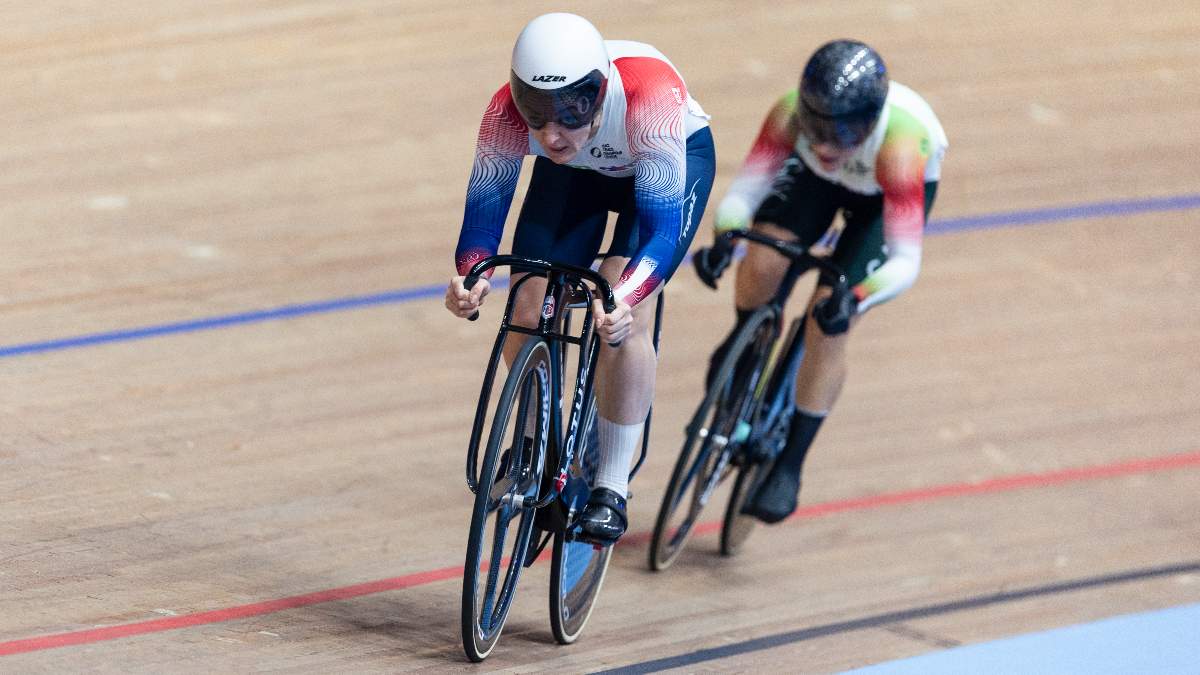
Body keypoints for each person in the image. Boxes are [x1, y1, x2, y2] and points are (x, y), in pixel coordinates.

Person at [444, 13, 715, 544]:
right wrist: (469, 278)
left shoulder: (649, 98)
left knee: (621, 310)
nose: (550, 133)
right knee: (528, 303)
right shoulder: (505, 110)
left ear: (600, 92)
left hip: (657, 174)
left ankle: (611, 486)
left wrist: (626, 298)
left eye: (570, 113)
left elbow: (660, 233)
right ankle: (533, 438)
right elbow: (483, 216)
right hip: (575, 177)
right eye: (536, 115)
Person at [693, 39, 947, 524]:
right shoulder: (789, 113)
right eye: (818, 129)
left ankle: (791, 464)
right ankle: (745, 339)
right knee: (765, 259)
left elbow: (904, 260)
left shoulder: (900, 144)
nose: (828, 145)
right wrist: (727, 239)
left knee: (827, 324)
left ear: (872, 120)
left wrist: (854, 297)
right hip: (814, 182)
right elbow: (744, 193)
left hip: (880, 198)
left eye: (844, 133)